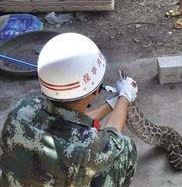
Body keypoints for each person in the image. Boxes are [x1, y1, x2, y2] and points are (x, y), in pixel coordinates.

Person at [0, 33, 138, 186]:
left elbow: (71, 120)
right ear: (96, 91)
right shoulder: (89, 146)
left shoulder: (23, 108)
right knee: (126, 150)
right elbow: (114, 137)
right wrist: (124, 96)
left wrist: (111, 104)